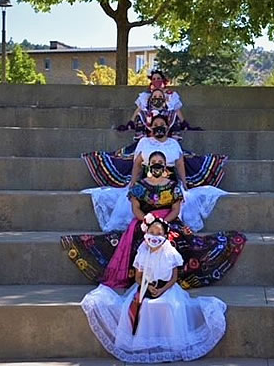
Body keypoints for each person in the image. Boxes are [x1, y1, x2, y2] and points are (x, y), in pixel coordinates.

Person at [62, 151, 246, 289]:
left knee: (180, 241)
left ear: (165, 168)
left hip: (169, 221)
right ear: (149, 166)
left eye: (160, 163)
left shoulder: (174, 186)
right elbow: (135, 208)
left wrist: (164, 223)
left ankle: (169, 278)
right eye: (154, 163)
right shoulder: (140, 186)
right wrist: (148, 220)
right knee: (134, 241)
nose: (157, 165)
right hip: (144, 221)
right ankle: (143, 278)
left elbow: (176, 209)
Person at [80, 215, 227, 363]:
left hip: (167, 289)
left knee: (169, 305)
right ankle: (143, 341)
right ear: (146, 233)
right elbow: (138, 276)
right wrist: (147, 286)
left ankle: (168, 340)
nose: (154, 237)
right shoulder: (142, 251)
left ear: (165, 235)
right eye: (152, 232)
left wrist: (162, 290)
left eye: (159, 234)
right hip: (146, 286)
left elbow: (174, 277)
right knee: (141, 306)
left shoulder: (171, 253)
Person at [83, 114, 226, 189]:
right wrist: (132, 183)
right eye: (155, 125)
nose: (159, 127)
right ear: (150, 128)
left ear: (167, 127)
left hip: (170, 182)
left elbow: (180, 165)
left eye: (162, 125)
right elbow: (137, 164)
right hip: (146, 180)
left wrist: (184, 184)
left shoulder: (174, 143)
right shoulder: (144, 142)